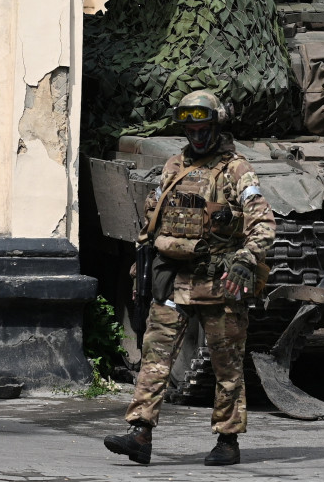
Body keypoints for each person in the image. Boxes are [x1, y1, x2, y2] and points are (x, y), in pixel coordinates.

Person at [103, 89, 276, 468]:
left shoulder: (237, 169)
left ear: (216, 125)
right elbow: (154, 222)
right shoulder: (172, 167)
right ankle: (140, 433)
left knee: (226, 366)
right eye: (191, 129)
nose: (197, 136)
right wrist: (140, 270)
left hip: (220, 282)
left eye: (204, 128)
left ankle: (227, 440)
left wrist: (247, 259)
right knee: (155, 357)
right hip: (173, 280)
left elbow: (263, 223)